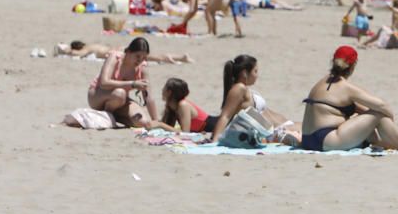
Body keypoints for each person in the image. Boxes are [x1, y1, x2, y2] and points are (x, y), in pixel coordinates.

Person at [301, 46, 398, 152]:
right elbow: (382, 106)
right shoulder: (345, 87)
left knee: (369, 128)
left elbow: (361, 111)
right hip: (326, 140)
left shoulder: (319, 84)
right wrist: (390, 120)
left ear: (333, 61)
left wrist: (394, 132)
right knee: (378, 114)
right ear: (353, 66)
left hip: (307, 140)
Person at [210, 55, 298, 143]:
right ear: (244, 73)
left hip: (281, 126)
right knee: (309, 131)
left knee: (308, 129)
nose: (257, 75)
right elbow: (226, 115)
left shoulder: (245, 89)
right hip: (275, 131)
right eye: (255, 71)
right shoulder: (239, 88)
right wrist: (216, 138)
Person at [87, 37, 158, 126]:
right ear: (128, 52)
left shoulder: (142, 68)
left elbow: (148, 97)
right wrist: (132, 84)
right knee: (120, 93)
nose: (140, 60)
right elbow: (103, 83)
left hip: (119, 101)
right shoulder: (115, 58)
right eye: (137, 56)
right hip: (97, 95)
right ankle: (106, 117)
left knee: (142, 122)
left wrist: (156, 121)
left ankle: (115, 117)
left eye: (143, 57)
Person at [145, 78, 212, 133]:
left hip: (215, 126)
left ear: (169, 92)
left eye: (164, 88)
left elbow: (185, 133)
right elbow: (168, 126)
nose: (162, 90)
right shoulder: (171, 106)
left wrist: (160, 125)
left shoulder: (183, 105)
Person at [56, 40, 193, 63]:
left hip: (119, 52)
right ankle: (181, 57)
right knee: (151, 56)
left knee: (151, 57)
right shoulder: (92, 45)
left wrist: (66, 51)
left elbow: (78, 54)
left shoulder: (87, 48)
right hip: (119, 48)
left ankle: (172, 58)